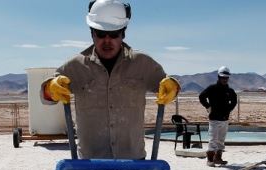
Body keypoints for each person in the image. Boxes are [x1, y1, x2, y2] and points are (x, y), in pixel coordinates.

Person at [41, 0, 179, 160]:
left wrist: (173, 87)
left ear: (123, 34)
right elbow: (46, 98)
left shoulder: (143, 64)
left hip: (134, 162)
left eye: (114, 34)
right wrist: (50, 89)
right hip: (90, 164)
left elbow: (168, 87)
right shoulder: (75, 66)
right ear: (92, 33)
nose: (107, 41)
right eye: (100, 34)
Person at [198, 66, 238, 167]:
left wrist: (228, 109)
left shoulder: (230, 91)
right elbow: (201, 96)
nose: (224, 79)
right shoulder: (212, 88)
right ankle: (210, 159)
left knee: (221, 140)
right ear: (219, 77)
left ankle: (218, 158)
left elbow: (234, 101)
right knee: (213, 139)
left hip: (224, 119)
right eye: (222, 77)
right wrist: (208, 106)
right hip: (214, 119)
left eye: (226, 78)